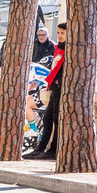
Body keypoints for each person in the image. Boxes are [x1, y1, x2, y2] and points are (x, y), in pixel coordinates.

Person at [26, 22, 66, 160]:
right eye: (58, 33)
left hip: (60, 89)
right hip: (54, 89)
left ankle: (52, 150)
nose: (60, 36)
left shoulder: (67, 49)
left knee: (55, 120)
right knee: (48, 118)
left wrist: (58, 81)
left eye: (63, 33)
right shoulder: (58, 48)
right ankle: (41, 148)